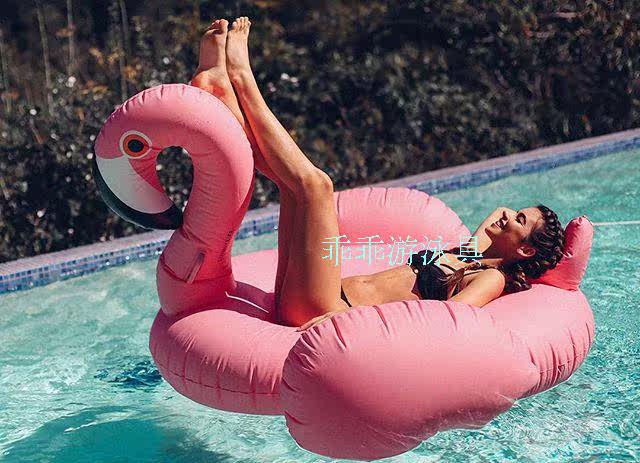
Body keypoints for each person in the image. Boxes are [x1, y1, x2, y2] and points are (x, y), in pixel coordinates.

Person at [190, 17, 566, 331]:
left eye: (519, 219)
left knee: (317, 185)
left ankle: (242, 78)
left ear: (526, 249)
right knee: (289, 186)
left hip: (325, 312)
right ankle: (218, 89)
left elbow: (449, 321)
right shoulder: (470, 253)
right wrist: (512, 230)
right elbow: (495, 216)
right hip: (315, 296)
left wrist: (347, 328)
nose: (507, 214)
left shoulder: (491, 278)